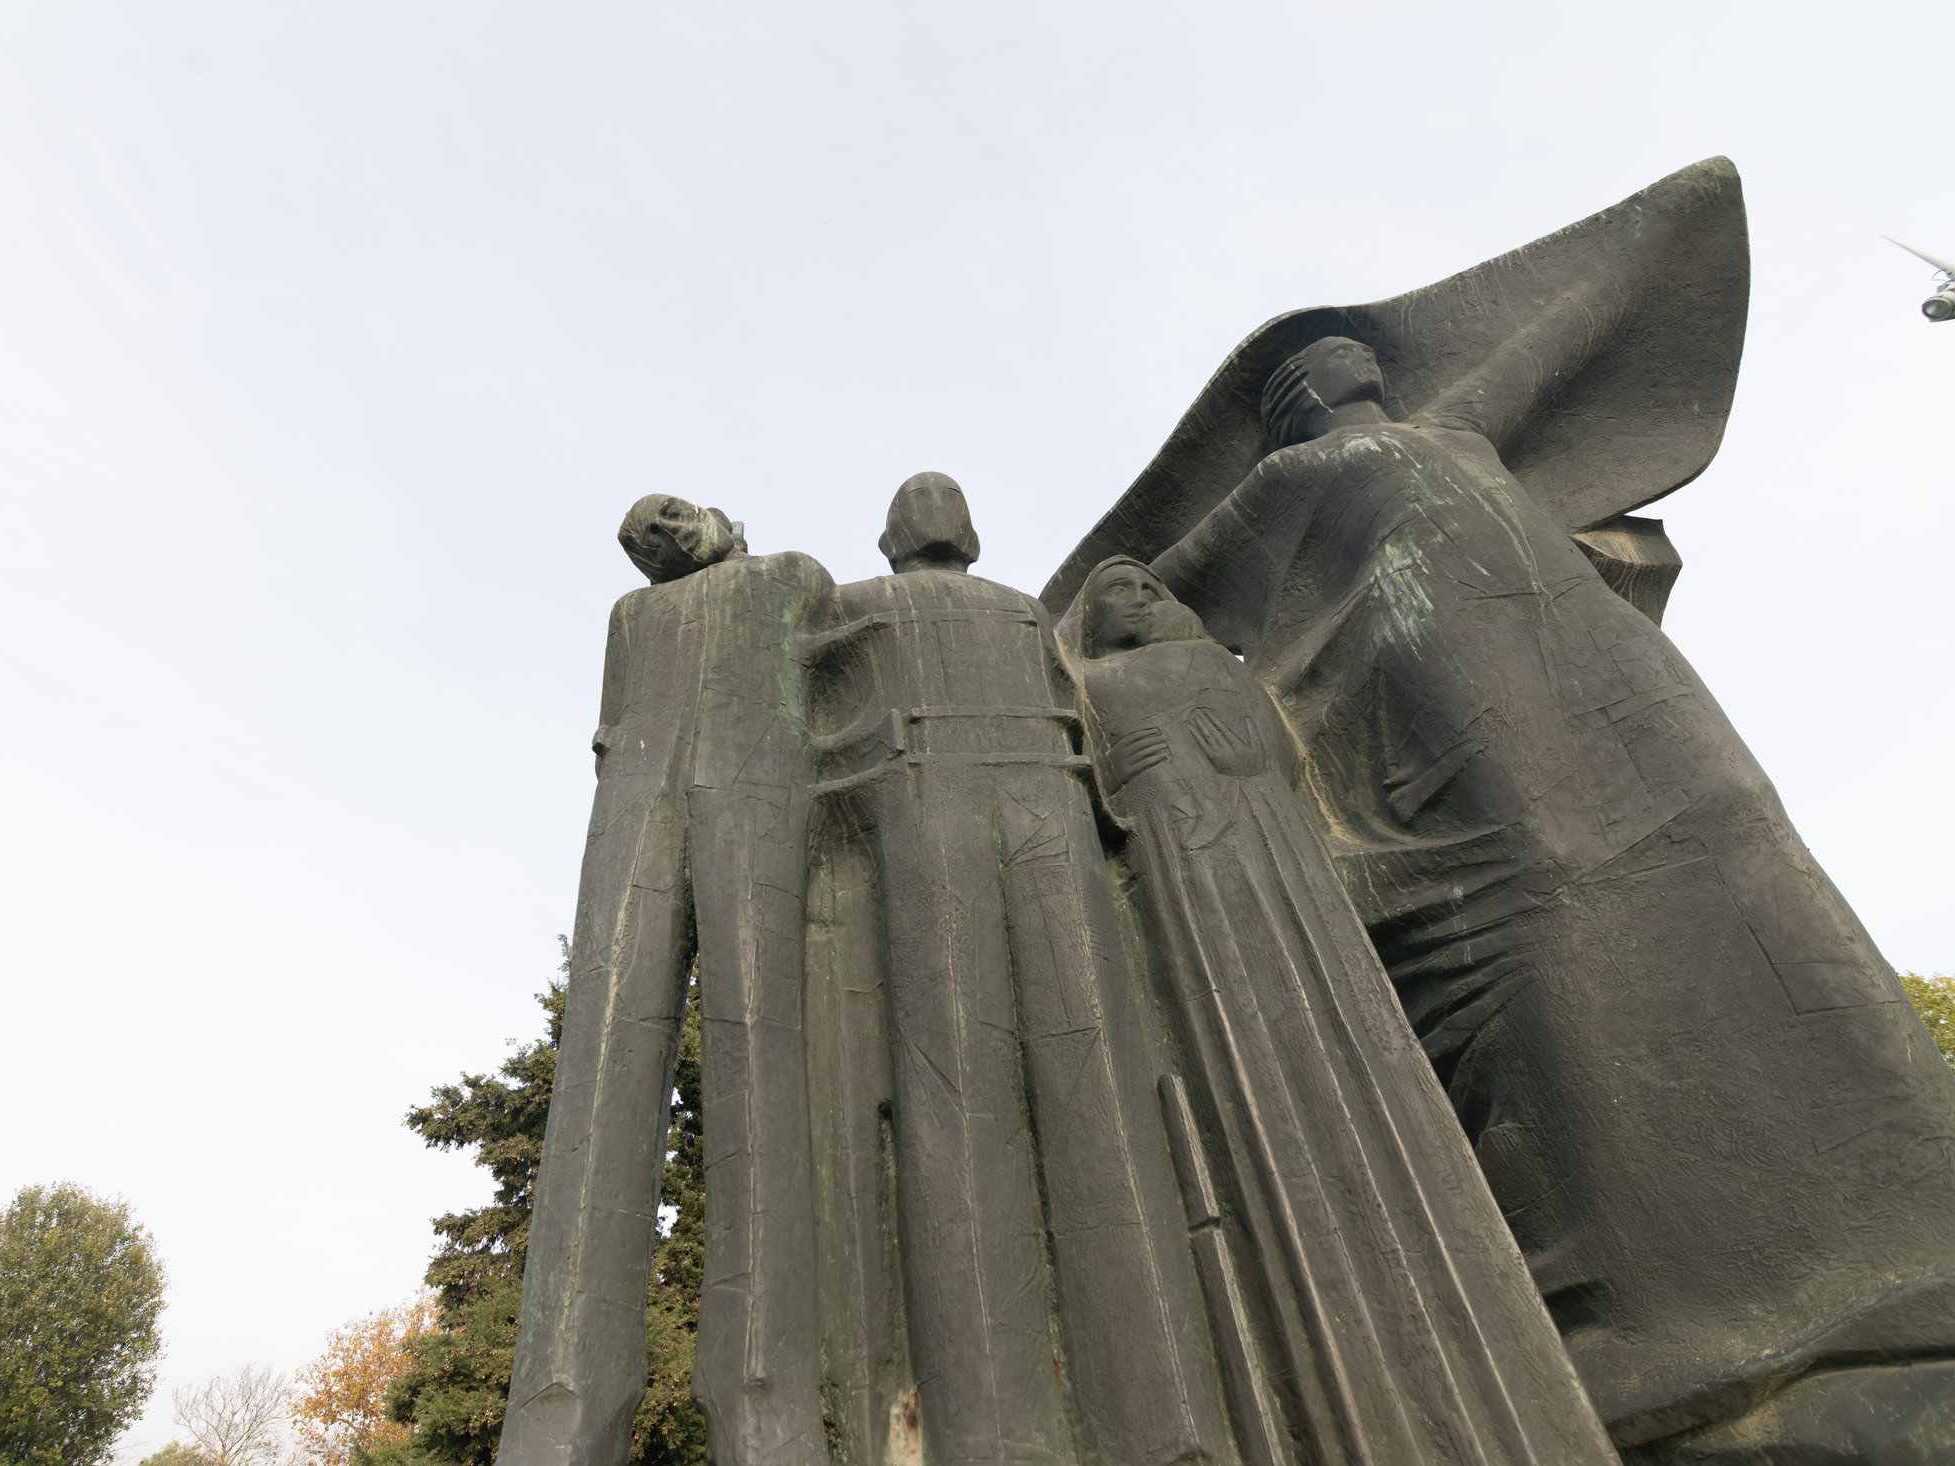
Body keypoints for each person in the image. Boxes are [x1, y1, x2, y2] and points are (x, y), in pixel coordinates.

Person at [1148, 337, 1955, 1459]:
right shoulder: (1391, 463)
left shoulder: (1380, 460)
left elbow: (1144, 596)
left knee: (1637, 959)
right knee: (1628, 956)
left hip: (1532, 740)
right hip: (1542, 731)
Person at [1059, 555, 1618, 1466]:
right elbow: (1092, 784)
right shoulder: (1096, 686)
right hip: (1182, 874)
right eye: (1120, 592)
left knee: (1351, 1042)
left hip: (1275, 857)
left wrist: (1234, 752)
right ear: (1090, 623)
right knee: (1234, 1058)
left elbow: (1273, 754)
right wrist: (1129, 769)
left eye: (1150, 585)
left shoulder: (1212, 666)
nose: (1145, 597)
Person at [803, 474, 1228, 1466]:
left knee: (1041, 1099)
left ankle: (1100, 1422)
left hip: (1001, 811)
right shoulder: (956, 612)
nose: (936, 517)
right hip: (981, 813)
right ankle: (1060, 1423)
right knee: (1009, 1099)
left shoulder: (925, 610)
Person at [501, 495, 831, 1466]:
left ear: (723, 514)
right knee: (600, 1067)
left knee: (761, 1057)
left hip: (760, 797)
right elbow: (611, 732)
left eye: (673, 517)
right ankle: (556, 1415)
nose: (663, 538)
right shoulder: (630, 618)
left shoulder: (791, 580)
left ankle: (768, 1405)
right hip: (635, 811)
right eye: (646, 538)